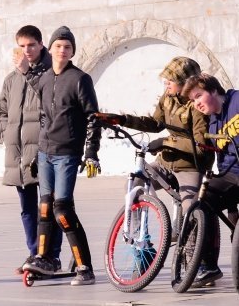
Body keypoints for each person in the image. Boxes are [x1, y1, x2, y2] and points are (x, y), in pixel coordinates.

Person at [95, 58, 212, 240]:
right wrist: (122, 119)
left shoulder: (196, 105)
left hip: (190, 165)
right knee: (132, 185)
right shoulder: (168, 98)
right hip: (166, 162)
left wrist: (166, 142)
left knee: (191, 210)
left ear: (185, 82)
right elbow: (156, 123)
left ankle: (194, 258)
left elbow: (200, 145)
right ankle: (141, 238)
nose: (166, 84)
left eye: (170, 81)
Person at [23, 26, 101, 286]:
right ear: (51, 48)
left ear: (72, 51)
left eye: (67, 47)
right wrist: (37, 153)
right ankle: (45, 258)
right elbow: (44, 118)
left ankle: (84, 267)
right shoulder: (45, 78)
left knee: (63, 211)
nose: (63, 50)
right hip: (46, 153)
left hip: (67, 153)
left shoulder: (80, 79)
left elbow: (93, 118)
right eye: (58, 46)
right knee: (44, 207)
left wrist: (91, 153)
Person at [0, 24, 63, 272]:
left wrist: (27, 73)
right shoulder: (11, 79)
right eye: (21, 46)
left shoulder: (51, 73)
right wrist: (5, 132)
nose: (26, 51)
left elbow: (52, 104)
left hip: (44, 152)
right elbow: (1, 110)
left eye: (31, 45)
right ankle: (35, 253)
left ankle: (52, 256)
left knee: (50, 208)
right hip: (18, 154)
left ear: (41, 45)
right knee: (27, 210)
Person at [183, 73, 239, 287]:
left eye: (199, 96)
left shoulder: (237, 100)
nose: (196, 103)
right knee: (202, 202)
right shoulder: (213, 124)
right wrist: (231, 205)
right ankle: (208, 266)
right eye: (193, 101)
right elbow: (223, 163)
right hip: (232, 175)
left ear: (214, 90)